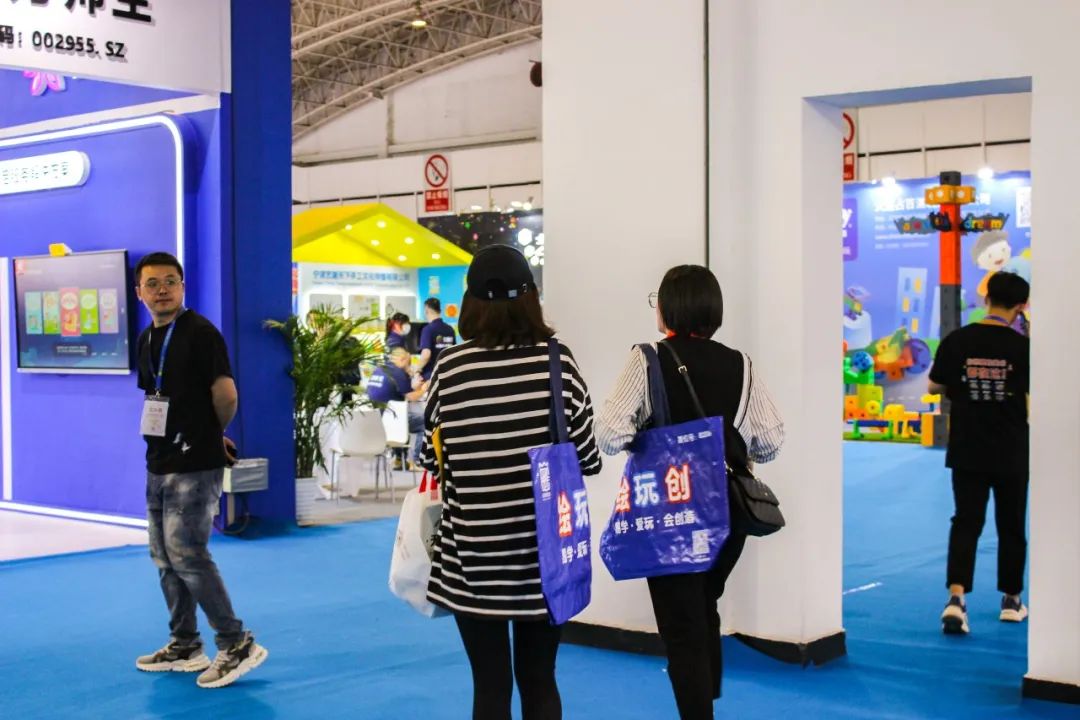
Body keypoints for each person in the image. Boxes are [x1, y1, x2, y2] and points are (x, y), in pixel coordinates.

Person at [418, 245, 602, 720]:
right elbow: (587, 459)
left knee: (489, 685)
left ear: (471, 302)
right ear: (531, 299)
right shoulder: (559, 364)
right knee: (540, 680)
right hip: (544, 559)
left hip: (472, 559)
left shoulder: (449, 369)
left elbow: (431, 460)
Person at [595, 265, 784, 720]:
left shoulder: (648, 359)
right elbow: (770, 441)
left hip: (670, 511)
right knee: (704, 604)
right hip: (727, 512)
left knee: (681, 627)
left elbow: (609, 434)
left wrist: (648, 436)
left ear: (667, 308)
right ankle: (708, 698)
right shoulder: (741, 363)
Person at [131, 252, 268, 689]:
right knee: (164, 557)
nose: (162, 290)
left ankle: (235, 642)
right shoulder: (146, 338)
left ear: (183, 286)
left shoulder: (201, 333)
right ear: (139, 292)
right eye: (153, 283)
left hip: (194, 463)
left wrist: (211, 435)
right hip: (159, 460)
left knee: (188, 553)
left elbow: (226, 394)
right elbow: (158, 396)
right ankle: (185, 643)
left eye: (170, 281)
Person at [929, 271, 1030, 635]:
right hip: (1012, 449)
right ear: (1021, 306)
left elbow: (934, 384)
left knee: (966, 522)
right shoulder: (1024, 347)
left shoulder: (958, 340)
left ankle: (956, 600)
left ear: (987, 299)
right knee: (1011, 523)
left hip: (967, 448)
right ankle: (1012, 600)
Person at [367, 346, 427, 469]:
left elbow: (399, 390)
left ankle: (399, 459)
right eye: (408, 362)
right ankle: (418, 461)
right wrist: (424, 388)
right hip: (390, 420)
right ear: (403, 359)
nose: (408, 366)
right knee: (425, 421)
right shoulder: (398, 372)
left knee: (401, 417)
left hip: (374, 419)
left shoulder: (379, 369)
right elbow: (411, 397)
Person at [417, 297, 457, 381]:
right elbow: (454, 352)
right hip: (448, 374)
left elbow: (426, 354)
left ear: (426, 310)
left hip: (431, 376)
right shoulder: (450, 329)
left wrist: (417, 369)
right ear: (439, 310)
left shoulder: (428, 329)